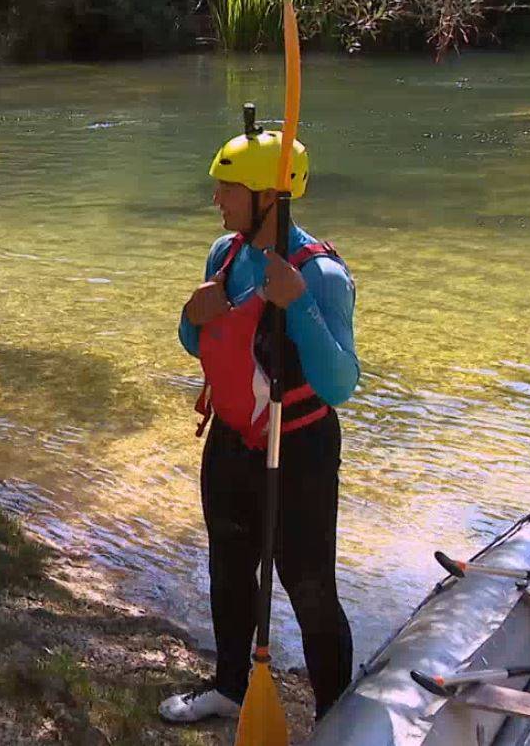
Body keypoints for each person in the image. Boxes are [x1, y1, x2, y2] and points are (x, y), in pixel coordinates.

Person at [160, 109, 359, 723]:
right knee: (228, 562)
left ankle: (333, 716)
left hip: (298, 447)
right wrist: (193, 316)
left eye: (227, 189)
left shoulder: (322, 275)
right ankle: (229, 686)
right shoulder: (225, 253)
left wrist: (297, 307)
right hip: (231, 440)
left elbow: (339, 383)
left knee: (307, 586)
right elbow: (200, 346)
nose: (216, 199)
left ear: (268, 197)